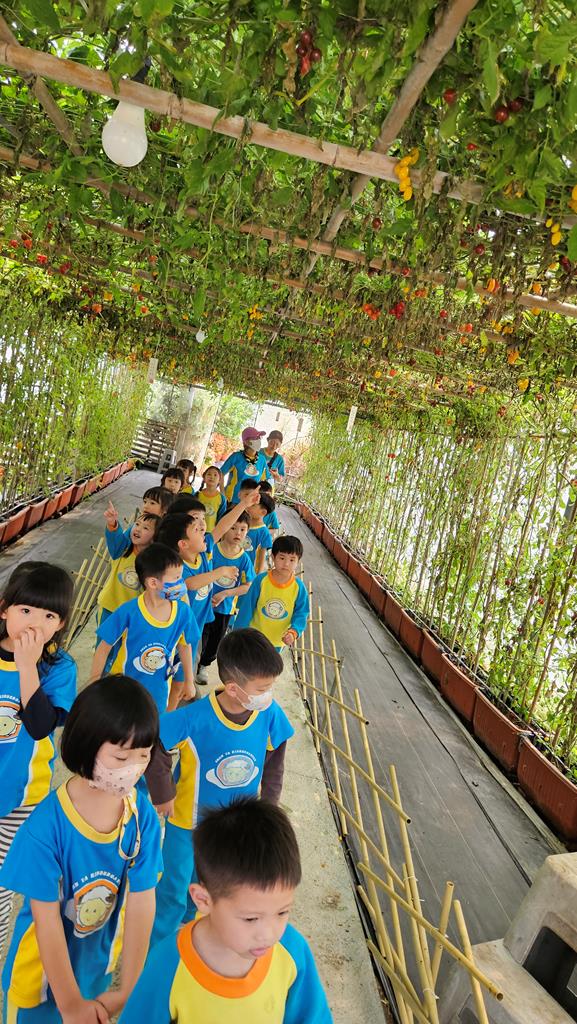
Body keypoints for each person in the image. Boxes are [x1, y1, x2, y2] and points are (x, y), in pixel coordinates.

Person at [0, 675, 163, 1023]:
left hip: (95, 972)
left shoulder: (141, 816)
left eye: (144, 755)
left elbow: (142, 901)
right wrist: (71, 1004)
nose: (134, 769)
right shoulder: (45, 827)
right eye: (121, 757)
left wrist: (130, 986)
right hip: (39, 984)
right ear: (87, 747)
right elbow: (46, 921)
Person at [119, 799, 332, 1024]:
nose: (269, 934)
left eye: (282, 912)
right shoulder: (167, 963)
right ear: (203, 900)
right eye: (251, 919)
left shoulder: (292, 950)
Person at [147, 629, 293, 944]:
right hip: (188, 821)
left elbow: (275, 760)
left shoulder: (268, 714)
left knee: (209, 884)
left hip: (233, 825)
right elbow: (155, 743)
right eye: (263, 688)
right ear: (233, 688)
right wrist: (162, 792)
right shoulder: (195, 717)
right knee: (174, 886)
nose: (268, 695)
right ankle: (159, 949)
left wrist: (267, 807)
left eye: (271, 687)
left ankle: (187, 929)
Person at [0, 562, 76, 956]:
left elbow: (40, 725)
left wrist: (27, 666)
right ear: (4, 609)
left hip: (21, 798)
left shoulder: (59, 668)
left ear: (60, 624)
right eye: (26, 610)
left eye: (49, 616)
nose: (35, 623)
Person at [91, 544, 200, 712]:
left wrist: (189, 681)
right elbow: (103, 647)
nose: (181, 583)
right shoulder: (129, 611)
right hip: (124, 685)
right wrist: (94, 681)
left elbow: (185, 646)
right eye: (176, 578)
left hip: (159, 690)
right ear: (153, 583)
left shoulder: (183, 612)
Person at [196, 511, 255, 684]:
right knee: (200, 635)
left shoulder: (244, 559)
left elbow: (247, 586)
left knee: (216, 639)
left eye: (243, 529)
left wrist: (225, 594)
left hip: (225, 608)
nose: (238, 533)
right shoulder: (212, 550)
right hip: (204, 604)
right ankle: (193, 662)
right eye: (233, 528)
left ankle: (204, 665)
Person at [234, 537, 309, 651]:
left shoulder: (299, 588)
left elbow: (301, 613)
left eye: (292, 560)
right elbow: (247, 607)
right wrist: (238, 633)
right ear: (273, 557)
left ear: (298, 562)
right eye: (282, 558)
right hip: (254, 637)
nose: (286, 564)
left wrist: (294, 631)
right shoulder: (261, 580)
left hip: (277, 642)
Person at [98, 509, 161, 627]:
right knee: (104, 639)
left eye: (145, 528)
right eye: (137, 524)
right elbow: (114, 539)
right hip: (109, 608)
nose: (138, 529)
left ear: (155, 537)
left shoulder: (154, 564)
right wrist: (112, 523)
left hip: (133, 615)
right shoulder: (122, 550)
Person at [220, 427, 270, 505]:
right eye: (255, 438)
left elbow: (265, 480)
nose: (259, 440)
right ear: (246, 442)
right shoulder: (236, 457)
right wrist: (222, 493)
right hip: (232, 501)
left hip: (251, 503)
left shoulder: (262, 459)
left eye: (259, 438)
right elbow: (220, 474)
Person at [244, 490, 275, 574]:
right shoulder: (243, 523)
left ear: (263, 512)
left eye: (253, 505)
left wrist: (257, 575)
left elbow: (262, 557)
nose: (248, 506)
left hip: (249, 572)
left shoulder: (264, 532)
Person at [195, 465, 227, 532]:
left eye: (215, 475)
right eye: (209, 474)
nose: (212, 477)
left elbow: (221, 517)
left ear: (219, 480)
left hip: (211, 532)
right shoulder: (197, 495)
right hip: (196, 529)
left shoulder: (222, 498)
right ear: (204, 478)